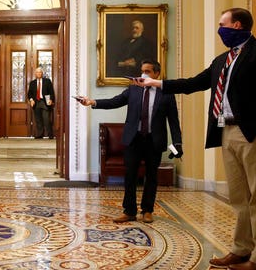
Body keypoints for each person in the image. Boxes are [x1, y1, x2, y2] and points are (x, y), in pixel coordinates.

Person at [136, 8, 256, 270]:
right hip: (226, 132)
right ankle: (242, 250)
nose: (220, 29)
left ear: (237, 25)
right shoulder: (222, 60)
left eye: (222, 24)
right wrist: (155, 84)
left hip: (253, 132)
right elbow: (194, 83)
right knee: (239, 197)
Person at [77, 59, 182, 223]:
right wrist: (92, 102)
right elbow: (115, 101)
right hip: (134, 139)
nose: (143, 74)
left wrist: (177, 143)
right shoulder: (133, 89)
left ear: (156, 74)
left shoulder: (166, 93)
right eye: (142, 70)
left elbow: (174, 121)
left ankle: (147, 210)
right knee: (130, 176)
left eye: (147, 71)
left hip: (154, 140)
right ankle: (129, 211)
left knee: (151, 177)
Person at [27, 67, 55, 139]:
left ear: (42, 73)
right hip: (36, 102)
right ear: (35, 74)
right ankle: (40, 134)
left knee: (46, 119)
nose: (38, 73)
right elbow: (29, 93)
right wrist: (31, 100)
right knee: (38, 119)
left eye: (40, 72)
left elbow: (51, 92)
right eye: (37, 72)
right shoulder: (32, 83)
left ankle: (50, 134)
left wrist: (51, 100)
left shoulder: (47, 81)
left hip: (44, 102)